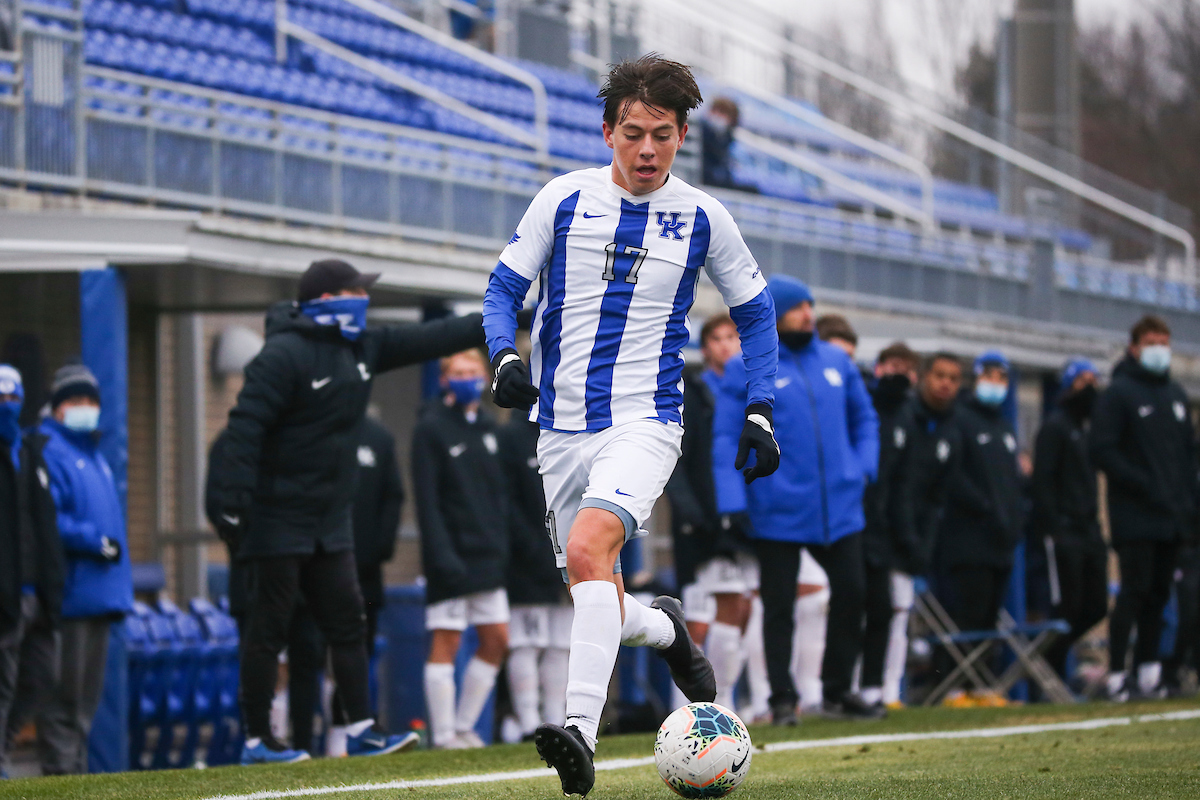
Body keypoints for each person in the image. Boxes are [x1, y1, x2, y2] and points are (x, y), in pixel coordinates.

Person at [482, 55, 780, 797]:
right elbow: (502, 290)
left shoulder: (705, 216)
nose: (648, 150)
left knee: (590, 548)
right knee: (595, 592)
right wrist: (503, 357)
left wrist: (760, 406)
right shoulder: (561, 200)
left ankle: (579, 734)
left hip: (647, 421)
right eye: (634, 133)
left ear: (683, 136)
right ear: (608, 130)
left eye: (664, 135)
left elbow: (755, 311)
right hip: (559, 428)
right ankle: (667, 630)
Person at [211, 258, 485, 764]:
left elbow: (438, 336)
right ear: (325, 300)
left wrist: (508, 310)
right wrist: (233, 508)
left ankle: (361, 727)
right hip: (277, 518)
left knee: (349, 624)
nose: (364, 299)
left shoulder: (363, 346)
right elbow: (243, 429)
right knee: (268, 630)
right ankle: (257, 739)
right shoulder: (282, 355)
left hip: (329, 521)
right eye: (355, 291)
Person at [715, 275, 880, 724]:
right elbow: (727, 434)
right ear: (775, 312)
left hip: (840, 509)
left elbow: (865, 418)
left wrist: (863, 466)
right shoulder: (747, 364)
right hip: (778, 509)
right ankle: (782, 699)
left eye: (810, 305)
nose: (808, 313)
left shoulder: (837, 361)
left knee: (853, 593)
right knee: (779, 607)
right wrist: (732, 499)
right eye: (796, 307)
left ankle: (838, 690)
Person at [30, 365, 132, 773]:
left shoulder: (94, 455)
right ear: (57, 408)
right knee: (61, 705)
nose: (85, 409)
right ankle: (60, 785)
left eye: (91, 401)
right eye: (75, 402)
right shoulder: (48, 451)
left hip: (100, 596)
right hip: (70, 597)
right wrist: (94, 542)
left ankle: (77, 784)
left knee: (84, 709)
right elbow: (48, 516)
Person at [1091, 315, 1196, 700]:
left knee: (1158, 595)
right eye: (1152, 342)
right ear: (1134, 347)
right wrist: (1144, 485)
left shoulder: (1176, 396)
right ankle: (1117, 675)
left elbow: (1187, 458)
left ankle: (1149, 672)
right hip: (1134, 516)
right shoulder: (1119, 393)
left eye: (1165, 342)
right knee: (1133, 592)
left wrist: (1187, 508)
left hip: (1172, 518)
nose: (1159, 349)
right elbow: (1102, 450)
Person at [415, 349, 510, 750]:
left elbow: (498, 497)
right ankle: (443, 735)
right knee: (447, 641)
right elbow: (427, 500)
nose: (467, 377)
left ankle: (466, 726)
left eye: (473, 371)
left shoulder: (489, 428)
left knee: (497, 639)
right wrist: (441, 554)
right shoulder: (430, 427)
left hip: (488, 557)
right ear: (444, 379)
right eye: (458, 371)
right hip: (450, 557)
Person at [666, 315, 760, 712]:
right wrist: (690, 511)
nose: (727, 346)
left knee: (738, 609)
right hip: (702, 522)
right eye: (717, 339)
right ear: (705, 348)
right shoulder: (691, 392)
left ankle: (725, 703)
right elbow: (679, 458)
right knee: (697, 618)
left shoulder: (752, 394)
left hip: (741, 522)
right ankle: (685, 710)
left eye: (733, 338)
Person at [934, 351, 1022, 701]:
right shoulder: (960, 419)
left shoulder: (1004, 427)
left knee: (989, 618)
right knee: (965, 614)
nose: (996, 384)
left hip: (1000, 542)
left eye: (1002, 378)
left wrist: (1013, 518)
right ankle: (954, 686)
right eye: (990, 376)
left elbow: (1011, 482)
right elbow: (953, 476)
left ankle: (979, 683)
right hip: (966, 540)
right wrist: (985, 509)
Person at [882, 352, 962, 707]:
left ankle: (889, 692)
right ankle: (860, 688)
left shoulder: (951, 429)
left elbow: (937, 496)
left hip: (913, 540)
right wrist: (905, 534)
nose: (945, 383)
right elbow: (894, 484)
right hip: (882, 532)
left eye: (953, 378)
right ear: (925, 378)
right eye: (939, 375)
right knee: (872, 613)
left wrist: (922, 542)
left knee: (900, 612)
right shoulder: (904, 418)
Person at [326, 411, 405, 755]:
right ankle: (311, 736)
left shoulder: (379, 437)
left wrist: (379, 548)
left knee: (360, 644)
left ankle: (350, 731)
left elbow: (393, 496)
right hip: (320, 560)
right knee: (315, 650)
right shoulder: (320, 430)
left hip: (365, 568)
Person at [0, 365, 63, 777]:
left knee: (41, 677)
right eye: (0, 399)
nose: (8, 406)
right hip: (3, 593)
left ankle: (3, 746)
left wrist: (50, 587)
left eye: (13, 398)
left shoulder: (30, 453)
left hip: (35, 593)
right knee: (1, 686)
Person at [499, 393, 572, 739]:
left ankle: (557, 719)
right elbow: (506, 502)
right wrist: (534, 549)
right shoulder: (511, 438)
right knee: (526, 641)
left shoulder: (571, 431)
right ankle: (529, 721)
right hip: (525, 562)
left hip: (570, 556)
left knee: (562, 642)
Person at [1031, 359, 1109, 683]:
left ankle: (1052, 659)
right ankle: (1049, 671)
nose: (1090, 387)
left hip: (1089, 530)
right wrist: (1055, 528)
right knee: (1068, 607)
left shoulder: (1086, 430)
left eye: (1094, 380)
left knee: (1097, 605)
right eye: (1083, 380)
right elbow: (1043, 481)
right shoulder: (1055, 427)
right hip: (1065, 532)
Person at [858, 342, 920, 710]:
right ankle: (829, 688)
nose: (899, 374)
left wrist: (907, 534)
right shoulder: (864, 406)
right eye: (893, 365)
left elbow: (907, 484)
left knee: (885, 608)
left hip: (883, 531)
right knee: (842, 605)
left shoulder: (908, 419)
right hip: (851, 523)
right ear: (878, 367)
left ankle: (877, 688)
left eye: (906, 368)